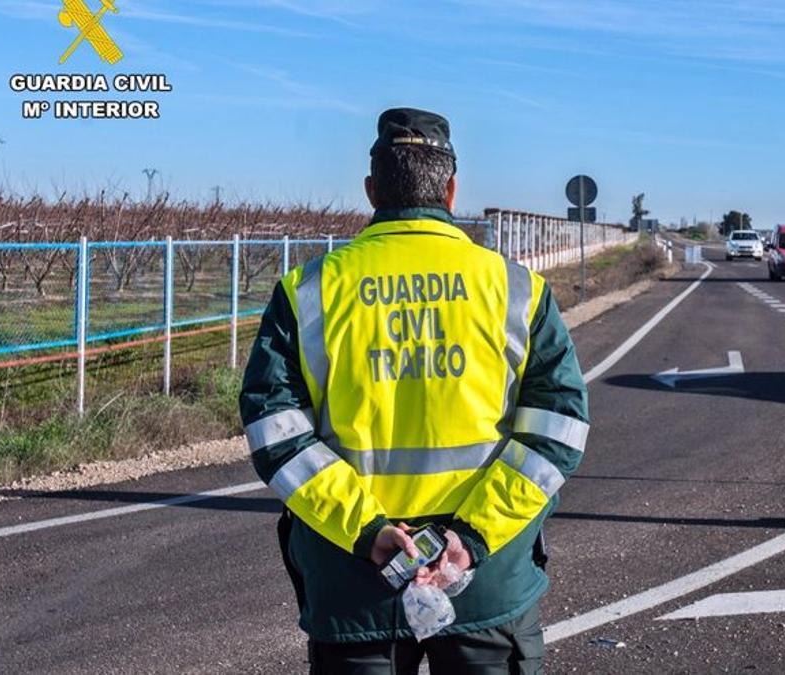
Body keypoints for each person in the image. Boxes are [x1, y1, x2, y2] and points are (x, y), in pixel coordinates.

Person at [239, 107, 589, 674]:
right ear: (451, 190)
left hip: (355, 582)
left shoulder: (308, 291)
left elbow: (273, 430)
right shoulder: (516, 290)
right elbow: (559, 430)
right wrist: (472, 537)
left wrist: (368, 531)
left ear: (372, 190)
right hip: (484, 580)